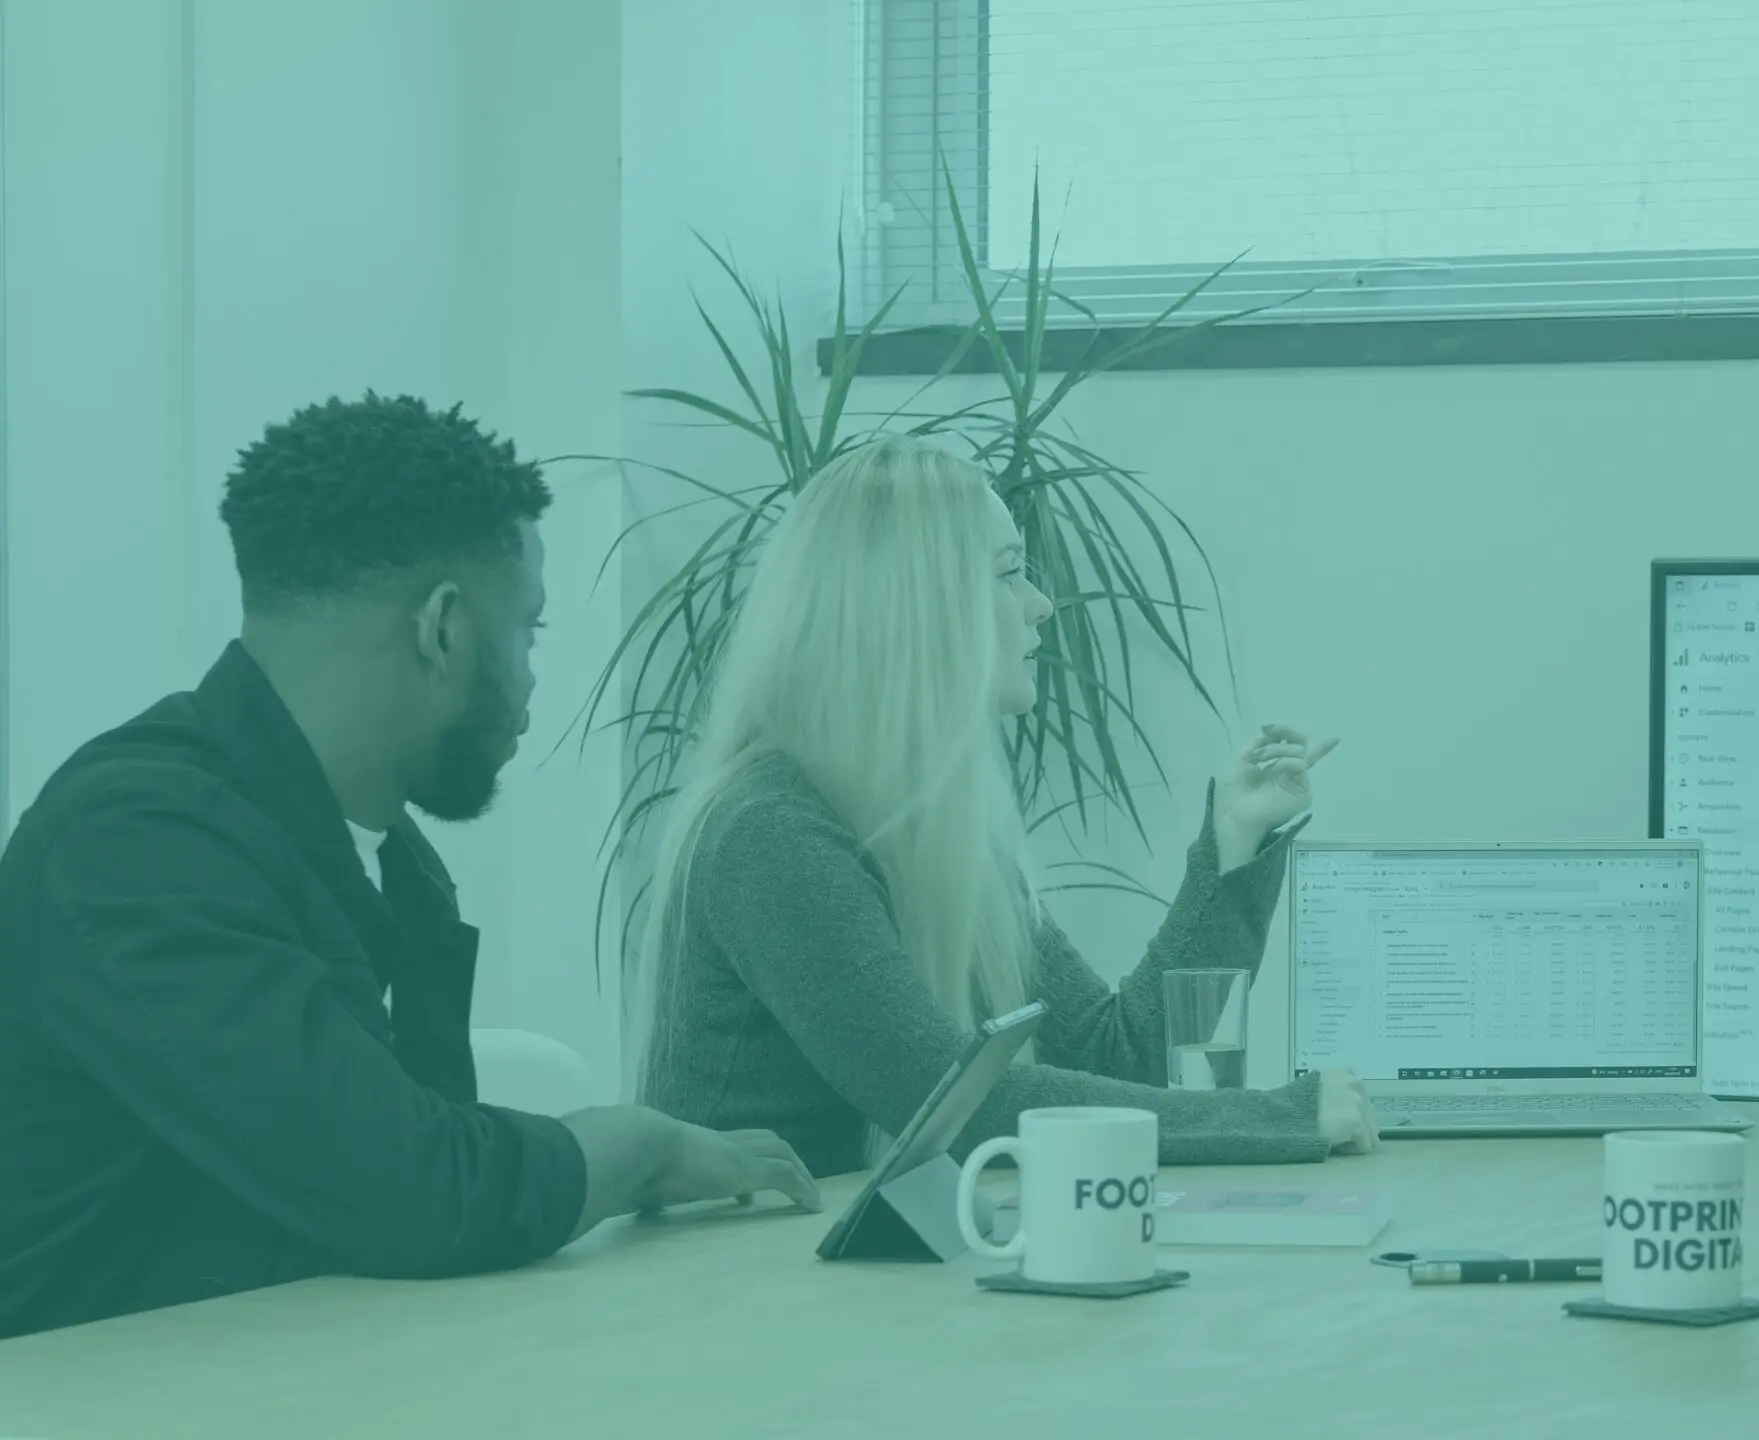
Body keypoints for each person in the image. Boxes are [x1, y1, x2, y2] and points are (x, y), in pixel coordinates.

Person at [0, 393, 818, 1340]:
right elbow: (408, 1191)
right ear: (442, 627)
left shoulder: (386, 853)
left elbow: (395, 1212)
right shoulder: (133, 842)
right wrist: (634, 1142)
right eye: (530, 631)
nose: (532, 675)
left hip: (293, 1369)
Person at [631, 437, 1378, 1179]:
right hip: (736, 1283)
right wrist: (1281, 1115)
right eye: (1009, 573)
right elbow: (958, 1108)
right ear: (915, 609)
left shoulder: (935, 833)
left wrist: (1233, 843)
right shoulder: (773, 836)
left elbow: (1118, 1056)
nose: (1041, 603)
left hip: (841, 1273)